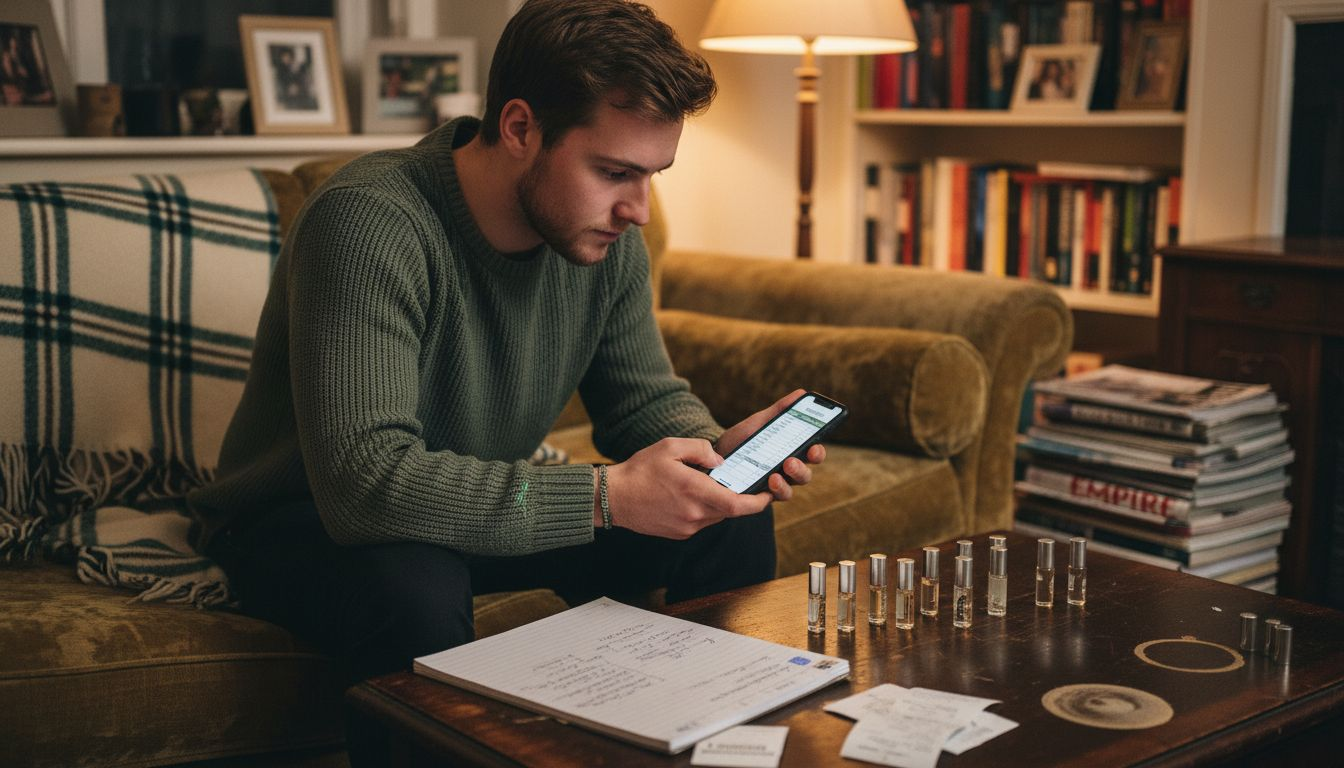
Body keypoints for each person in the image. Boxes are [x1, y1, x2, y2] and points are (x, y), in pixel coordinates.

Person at [190, 0, 826, 695]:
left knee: (725, 521)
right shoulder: (369, 221)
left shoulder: (607, 243)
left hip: (477, 506)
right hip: (305, 520)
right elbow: (366, 486)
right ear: (520, 128)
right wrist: (605, 495)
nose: (638, 210)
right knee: (414, 585)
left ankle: (700, 721)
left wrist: (714, 457)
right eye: (614, 172)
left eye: (652, 175)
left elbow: (642, 402)